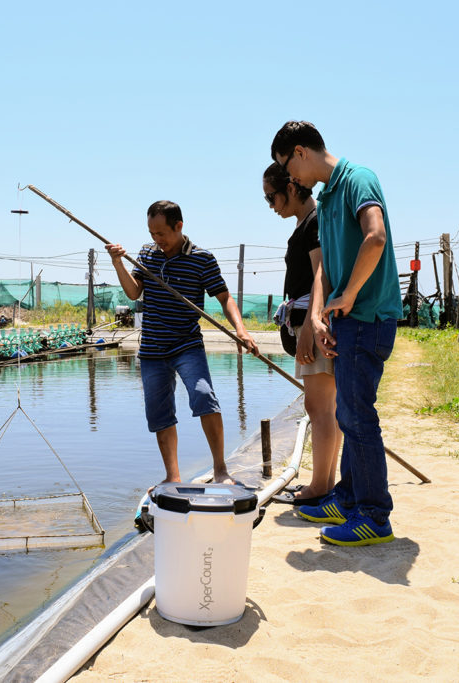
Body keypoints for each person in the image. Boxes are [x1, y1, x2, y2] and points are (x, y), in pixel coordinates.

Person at [271, 120, 403, 546]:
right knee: (347, 413)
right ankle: (346, 498)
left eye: (287, 169)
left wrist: (348, 294)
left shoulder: (358, 179)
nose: (291, 180)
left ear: (300, 151)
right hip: (344, 321)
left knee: (358, 417)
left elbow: (376, 237)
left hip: (369, 318)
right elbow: (326, 263)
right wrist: (318, 315)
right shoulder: (327, 199)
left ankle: (373, 515)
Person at [105, 200, 259, 487]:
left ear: (179, 226)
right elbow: (134, 292)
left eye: (162, 233)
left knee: (204, 396)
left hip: (187, 345)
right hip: (152, 348)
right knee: (160, 413)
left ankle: (221, 470)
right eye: (152, 233)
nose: (157, 240)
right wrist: (117, 262)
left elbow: (224, 297)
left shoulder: (202, 259)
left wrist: (241, 330)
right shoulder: (147, 254)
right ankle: (173, 477)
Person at [263, 163, 342, 506]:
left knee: (319, 407)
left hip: (315, 323)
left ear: (291, 188)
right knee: (327, 408)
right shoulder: (307, 224)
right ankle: (325, 482)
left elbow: (319, 277)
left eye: (272, 196)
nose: (271, 205)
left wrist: (310, 328)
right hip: (313, 321)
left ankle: (320, 487)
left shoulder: (313, 223)